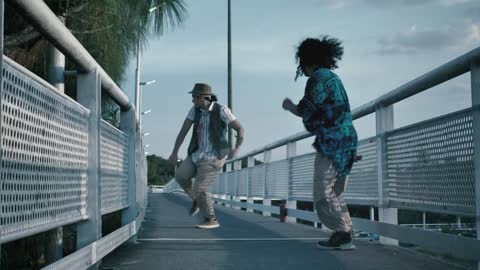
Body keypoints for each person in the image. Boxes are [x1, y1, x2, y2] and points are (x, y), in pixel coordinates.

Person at [282, 36, 358, 250]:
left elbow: (306, 108)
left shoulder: (318, 78)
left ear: (306, 60)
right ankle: (345, 233)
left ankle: (343, 233)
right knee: (335, 191)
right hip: (346, 139)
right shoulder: (333, 77)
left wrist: (289, 106)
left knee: (322, 192)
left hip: (332, 140)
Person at [169, 83, 244, 229]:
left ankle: (211, 219)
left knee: (200, 188)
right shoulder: (194, 110)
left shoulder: (221, 110)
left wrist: (236, 148)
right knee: (180, 176)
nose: (192, 100)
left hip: (214, 156)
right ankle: (197, 199)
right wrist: (174, 152)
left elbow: (240, 129)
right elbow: (183, 130)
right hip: (197, 153)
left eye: (194, 97)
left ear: (204, 97)